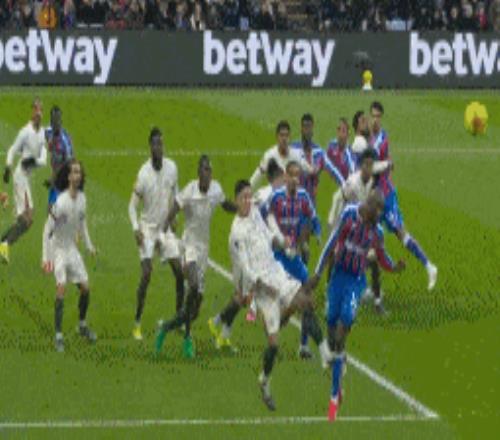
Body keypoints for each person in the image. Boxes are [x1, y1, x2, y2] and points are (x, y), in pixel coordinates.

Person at [228, 179, 333, 411]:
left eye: (249, 196)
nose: (248, 201)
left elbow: (268, 235)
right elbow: (246, 269)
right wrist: (266, 288)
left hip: (276, 272)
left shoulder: (255, 212)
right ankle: (264, 381)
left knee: (306, 301)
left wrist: (281, 242)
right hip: (262, 289)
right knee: (274, 345)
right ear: (236, 200)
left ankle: (325, 353)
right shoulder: (237, 232)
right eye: (243, 197)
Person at [310, 190, 406, 421]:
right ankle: (339, 366)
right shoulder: (349, 215)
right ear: (369, 205)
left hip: (355, 282)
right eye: (377, 211)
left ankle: (334, 396)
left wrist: (394, 268)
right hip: (338, 278)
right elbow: (331, 244)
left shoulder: (376, 232)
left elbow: (382, 257)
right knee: (331, 330)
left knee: (343, 327)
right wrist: (318, 273)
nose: (378, 216)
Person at [155, 155, 236, 358]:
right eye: (204, 170)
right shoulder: (189, 191)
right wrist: (161, 234)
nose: (208, 174)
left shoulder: (216, 189)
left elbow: (225, 204)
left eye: (210, 170)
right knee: (192, 285)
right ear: (199, 173)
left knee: (195, 309)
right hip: (189, 246)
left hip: (203, 252)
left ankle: (166, 327)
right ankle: (187, 339)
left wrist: (242, 207)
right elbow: (173, 210)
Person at [369, 101, 437, 294]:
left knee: (400, 232)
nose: (375, 119)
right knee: (370, 240)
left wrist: (386, 165)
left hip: (386, 195)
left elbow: (376, 164)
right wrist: (388, 164)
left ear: (381, 118)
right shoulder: (368, 138)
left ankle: (429, 266)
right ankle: (374, 288)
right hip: (372, 197)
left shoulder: (382, 138)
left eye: (378, 116)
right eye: (373, 115)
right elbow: (383, 162)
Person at [128, 127, 184, 341]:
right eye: (155, 144)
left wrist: (174, 215)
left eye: (161, 143)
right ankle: (137, 323)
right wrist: (136, 228)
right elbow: (132, 206)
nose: (158, 147)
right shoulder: (143, 174)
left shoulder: (172, 168)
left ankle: (178, 319)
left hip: (165, 229)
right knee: (146, 274)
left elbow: (177, 194)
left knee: (179, 273)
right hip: (148, 230)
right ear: (150, 147)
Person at [262, 161, 321, 359]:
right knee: (281, 304)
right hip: (277, 257)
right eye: (292, 175)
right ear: (286, 177)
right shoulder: (276, 197)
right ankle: (273, 335)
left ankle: (304, 345)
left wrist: (317, 233)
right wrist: (273, 237)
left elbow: (313, 217)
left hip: (293, 256)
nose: (295, 179)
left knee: (307, 294)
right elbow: (264, 216)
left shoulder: (303, 197)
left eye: (298, 176)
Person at [44, 160, 97, 353]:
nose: (77, 175)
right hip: (59, 249)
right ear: (68, 177)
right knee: (61, 289)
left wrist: (89, 246)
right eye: (74, 172)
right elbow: (47, 229)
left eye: (79, 172)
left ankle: (82, 325)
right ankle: (58, 335)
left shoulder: (82, 199)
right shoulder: (61, 202)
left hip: (72, 249)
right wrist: (46, 258)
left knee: (85, 288)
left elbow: (82, 225)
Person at [0, 98, 47, 264]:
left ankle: (3, 243)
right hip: (20, 177)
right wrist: (8, 166)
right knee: (26, 220)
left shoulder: (42, 133)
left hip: (26, 178)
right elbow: (12, 149)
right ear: (32, 112)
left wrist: (33, 162)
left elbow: (44, 159)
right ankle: (5, 245)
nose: (38, 112)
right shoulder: (25, 132)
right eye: (35, 109)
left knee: (28, 220)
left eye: (40, 109)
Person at [42, 105, 74, 273]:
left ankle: (54, 260)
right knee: (52, 218)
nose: (55, 122)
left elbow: (69, 163)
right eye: (53, 119)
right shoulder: (48, 132)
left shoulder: (65, 141)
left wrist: (54, 178)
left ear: (60, 120)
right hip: (55, 183)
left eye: (58, 119)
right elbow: (41, 135)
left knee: (55, 221)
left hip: (63, 183)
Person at [290, 113, 344, 206]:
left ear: (312, 129)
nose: (307, 130)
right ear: (301, 129)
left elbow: (333, 170)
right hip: (293, 200)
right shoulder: (293, 149)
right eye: (305, 127)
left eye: (309, 127)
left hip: (310, 201)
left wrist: (345, 185)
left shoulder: (319, 152)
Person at [249, 120, 313, 190]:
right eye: (282, 135)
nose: (284, 139)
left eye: (286, 135)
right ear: (277, 137)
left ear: (290, 137)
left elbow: (310, 170)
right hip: (275, 194)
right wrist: (247, 190)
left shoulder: (297, 154)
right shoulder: (269, 155)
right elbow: (258, 175)